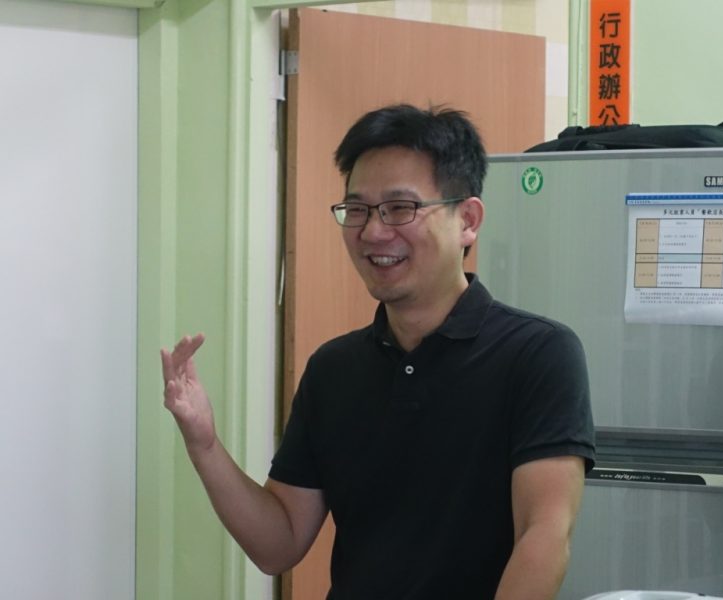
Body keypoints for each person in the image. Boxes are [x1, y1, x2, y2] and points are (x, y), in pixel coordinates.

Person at [161, 104, 595, 600]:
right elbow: (278, 543)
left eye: (400, 208)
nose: (372, 231)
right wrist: (205, 444)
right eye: (358, 210)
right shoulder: (333, 370)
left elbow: (544, 537)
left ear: (468, 220)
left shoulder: (538, 354)